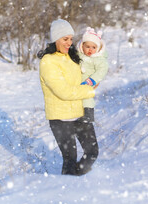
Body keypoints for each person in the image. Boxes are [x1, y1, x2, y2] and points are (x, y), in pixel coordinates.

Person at [38, 19, 99, 176]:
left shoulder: (72, 57)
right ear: (55, 39)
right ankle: (68, 188)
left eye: (71, 39)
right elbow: (63, 91)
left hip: (79, 114)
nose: (69, 43)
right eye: (65, 39)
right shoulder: (48, 61)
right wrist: (89, 91)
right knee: (70, 159)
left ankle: (77, 181)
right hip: (60, 119)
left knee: (92, 152)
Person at [76, 27, 109, 123]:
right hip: (77, 82)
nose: (90, 50)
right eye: (87, 47)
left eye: (93, 47)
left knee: (87, 97)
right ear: (82, 46)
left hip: (89, 81)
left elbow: (102, 71)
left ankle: (88, 115)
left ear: (98, 48)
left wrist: (92, 80)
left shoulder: (98, 59)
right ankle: (78, 114)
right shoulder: (79, 55)